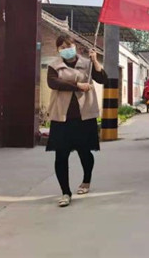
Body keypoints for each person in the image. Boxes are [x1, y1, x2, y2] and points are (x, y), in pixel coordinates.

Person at [46, 35, 107, 207]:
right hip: (62, 117)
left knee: (84, 152)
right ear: (58, 50)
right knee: (60, 155)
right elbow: (54, 83)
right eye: (62, 47)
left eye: (69, 46)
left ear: (76, 47)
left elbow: (102, 79)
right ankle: (65, 192)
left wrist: (95, 61)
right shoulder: (54, 66)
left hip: (84, 116)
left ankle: (86, 180)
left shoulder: (87, 64)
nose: (66, 49)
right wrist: (77, 86)